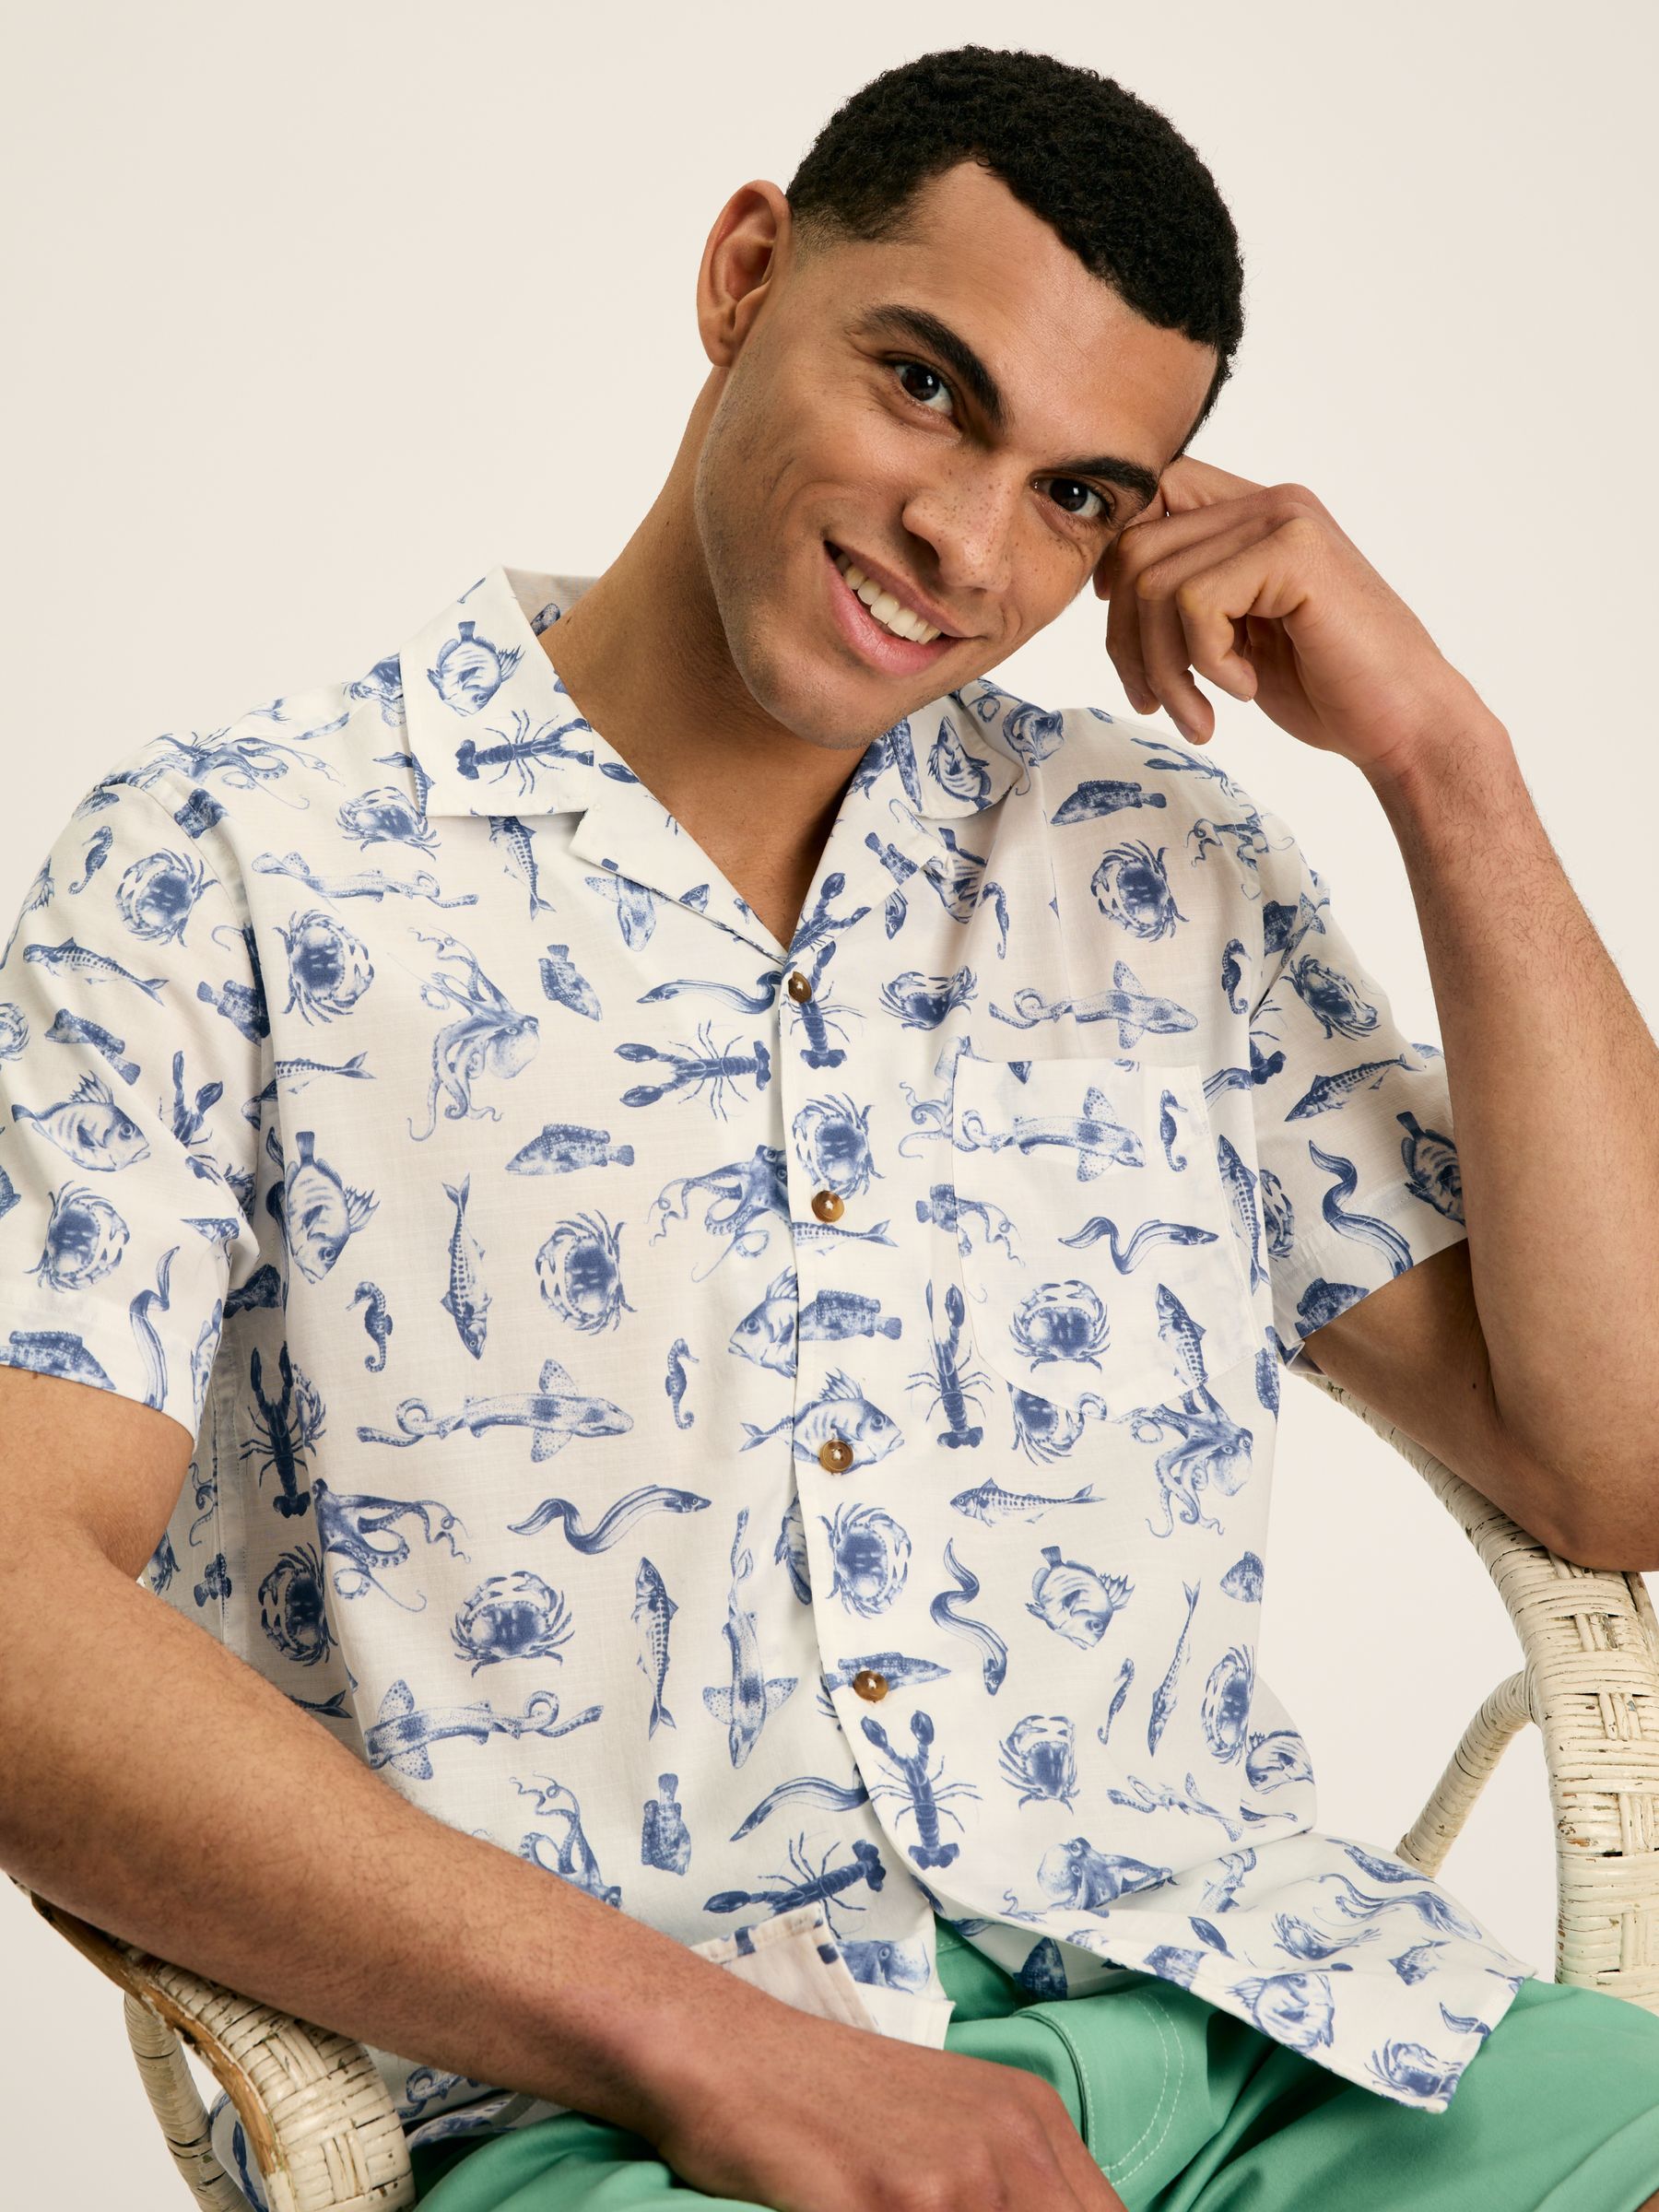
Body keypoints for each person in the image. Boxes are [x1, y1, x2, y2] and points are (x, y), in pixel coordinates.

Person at [3, 41, 1657, 2212]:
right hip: (628, 2123)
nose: (963, 542)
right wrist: (696, 2048)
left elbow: (1618, 1463)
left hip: (1278, 2042)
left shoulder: (1159, 871)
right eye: (926, 385)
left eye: (1079, 494)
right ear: (744, 272)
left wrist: (1451, 765)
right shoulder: (230, 866)